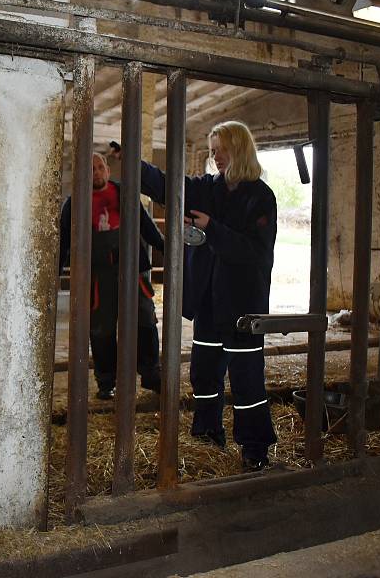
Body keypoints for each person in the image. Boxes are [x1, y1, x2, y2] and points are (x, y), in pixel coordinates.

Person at [140, 120, 277, 472]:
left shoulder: (260, 197)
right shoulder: (208, 189)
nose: (214, 156)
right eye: (212, 150)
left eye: (219, 149)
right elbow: (173, 186)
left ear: (238, 149)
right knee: (203, 373)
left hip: (242, 305)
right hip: (208, 302)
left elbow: (253, 252)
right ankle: (207, 432)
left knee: (246, 377)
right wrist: (135, 166)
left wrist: (211, 228)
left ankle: (254, 447)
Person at [59, 152, 164, 401]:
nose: (96, 173)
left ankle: (151, 374)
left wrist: (163, 246)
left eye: (99, 167)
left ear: (107, 168)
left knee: (145, 320)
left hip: (131, 269)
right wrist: (56, 271)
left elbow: (145, 224)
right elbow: (64, 240)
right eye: (90, 169)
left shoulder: (123, 193)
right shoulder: (74, 203)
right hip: (98, 274)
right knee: (101, 329)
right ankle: (106, 382)